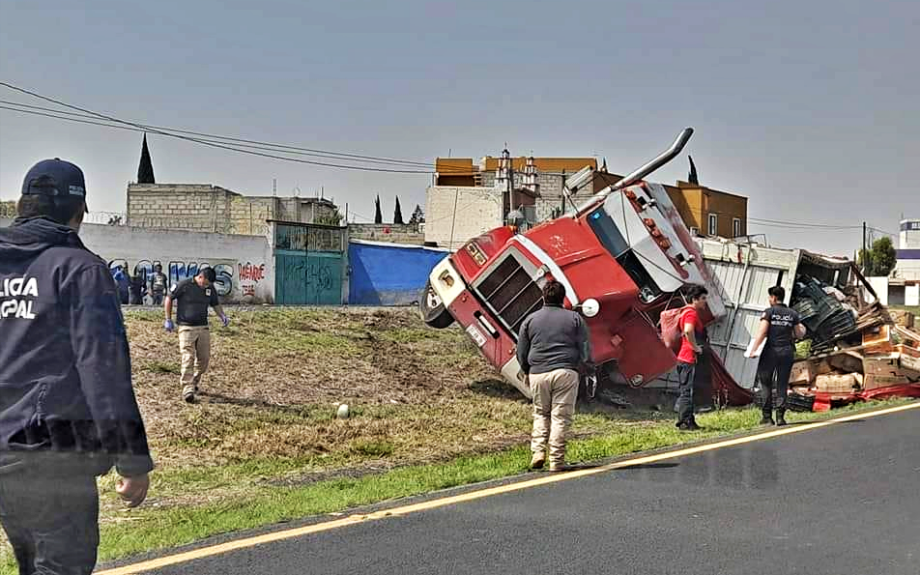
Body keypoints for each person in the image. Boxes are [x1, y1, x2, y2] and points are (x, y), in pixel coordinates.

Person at [0, 158, 153, 574]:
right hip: (52, 457)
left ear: (23, 204)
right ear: (78, 211)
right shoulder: (80, 270)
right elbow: (103, 371)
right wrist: (133, 459)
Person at [516, 279, 593, 472]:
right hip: (565, 371)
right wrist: (587, 366)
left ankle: (538, 452)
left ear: (543, 297)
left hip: (538, 373)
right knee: (560, 417)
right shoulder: (575, 319)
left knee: (541, 413)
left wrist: (526, 369)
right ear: (563, 298)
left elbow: (521, 350)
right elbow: (585, 348)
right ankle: (556, 461)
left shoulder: (530, 319)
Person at [164, 268, 230, 403]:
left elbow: (215, 303)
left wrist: (222, 315)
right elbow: (169, 298)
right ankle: (187, 388)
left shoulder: (210, 288)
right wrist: (168, 319)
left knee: (204, 360)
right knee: (188, 357)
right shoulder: (184, 285)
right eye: (205, 283)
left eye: (208, 284)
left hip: (203, 327)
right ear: (200, 277)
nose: (206, 286)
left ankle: (194, 380)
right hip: (186, 327)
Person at [747, 286, 806, 426]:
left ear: (773, 297)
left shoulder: (769, 312)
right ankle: (780, 417)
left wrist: (753, 349)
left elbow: (762, 332)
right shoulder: (793, 314)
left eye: (769, 297)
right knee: (782, 383)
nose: (769, 300)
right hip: (786, 352)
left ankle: (767, 417)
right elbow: (799, 334)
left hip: (770, 352)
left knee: (766, 383)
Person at [675, 285, 709, 431]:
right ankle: (684, 422)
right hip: (689, 358)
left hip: (684, 357)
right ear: (694, 299)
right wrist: (696, 348)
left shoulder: (685, 312)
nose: (705, 302)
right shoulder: (691, 314)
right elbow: (689, 331)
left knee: (688, 390)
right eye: (702, 299)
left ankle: (689, 420)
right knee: (687, 392)